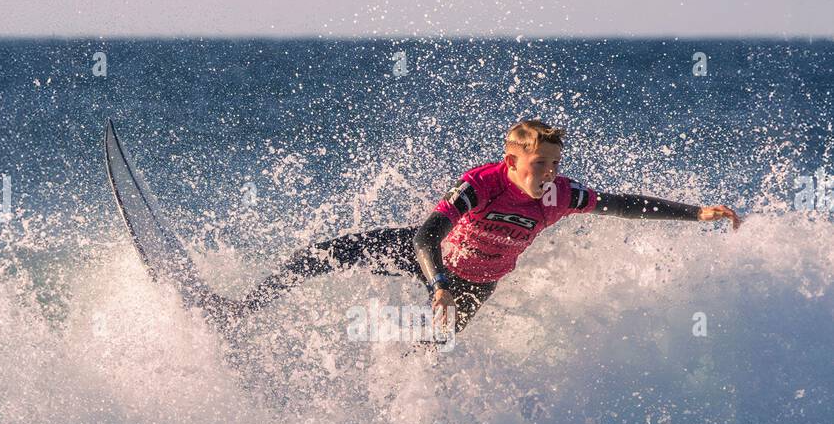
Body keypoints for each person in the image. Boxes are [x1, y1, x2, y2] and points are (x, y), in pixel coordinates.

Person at [209, 119, 741, 337]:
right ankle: (238, 311)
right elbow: (424, 236)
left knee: (428, 356)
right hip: (431, 261)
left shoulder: (559, 195)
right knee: (320, 257)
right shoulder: (482, 184)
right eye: (539, 165)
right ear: (512, 161)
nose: (549, 175)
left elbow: (622, 205)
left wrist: (696, 213)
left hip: (477, 284)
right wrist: (438, 283)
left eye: (555, 165)